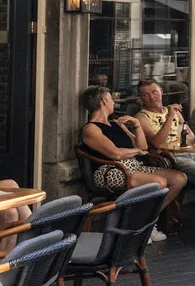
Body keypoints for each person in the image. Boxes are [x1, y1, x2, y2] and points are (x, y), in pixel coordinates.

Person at [79, 86, 187, 238]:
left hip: (134, 167)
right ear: (104, 101)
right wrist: (136, 152)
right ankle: (139, 228)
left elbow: (142, 146)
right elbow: (115, 153)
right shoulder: (91, 129)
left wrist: (136, 125)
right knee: (159, 183)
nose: (113, 102)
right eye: (111, 99)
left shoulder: (116, 124)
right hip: (111, 170)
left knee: (179, 178)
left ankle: (145, 222)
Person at [134, 79, 195, 184]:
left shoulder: (174, 112)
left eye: (154, 92)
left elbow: (190, 136)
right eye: (146, 95)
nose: (152, 97)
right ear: (141, 98)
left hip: (189, 153)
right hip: (172, 158)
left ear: (161, 91)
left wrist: (176, 144)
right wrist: (170, 117)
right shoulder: (142, 117)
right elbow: (157, 143)